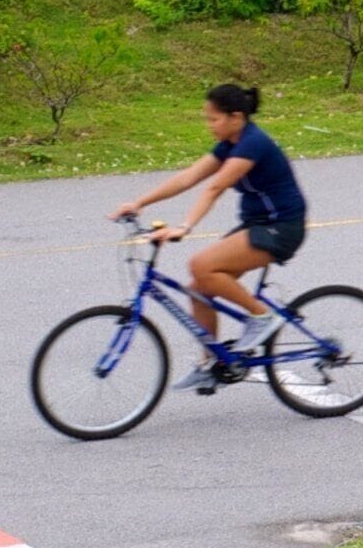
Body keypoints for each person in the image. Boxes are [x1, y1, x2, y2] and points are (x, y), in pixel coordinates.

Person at [110, 83, 309, 393]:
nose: (209, 125)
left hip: (282, 226)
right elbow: (188, 178)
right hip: (257, 223)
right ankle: (211, 365)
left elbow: (214, 188)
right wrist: (139, 203)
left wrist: (184, 227)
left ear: (236, 117)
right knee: (198, 288)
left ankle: (261, 316)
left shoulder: (252, 144)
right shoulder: (230, 144)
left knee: (201, 265)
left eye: (214, 119)